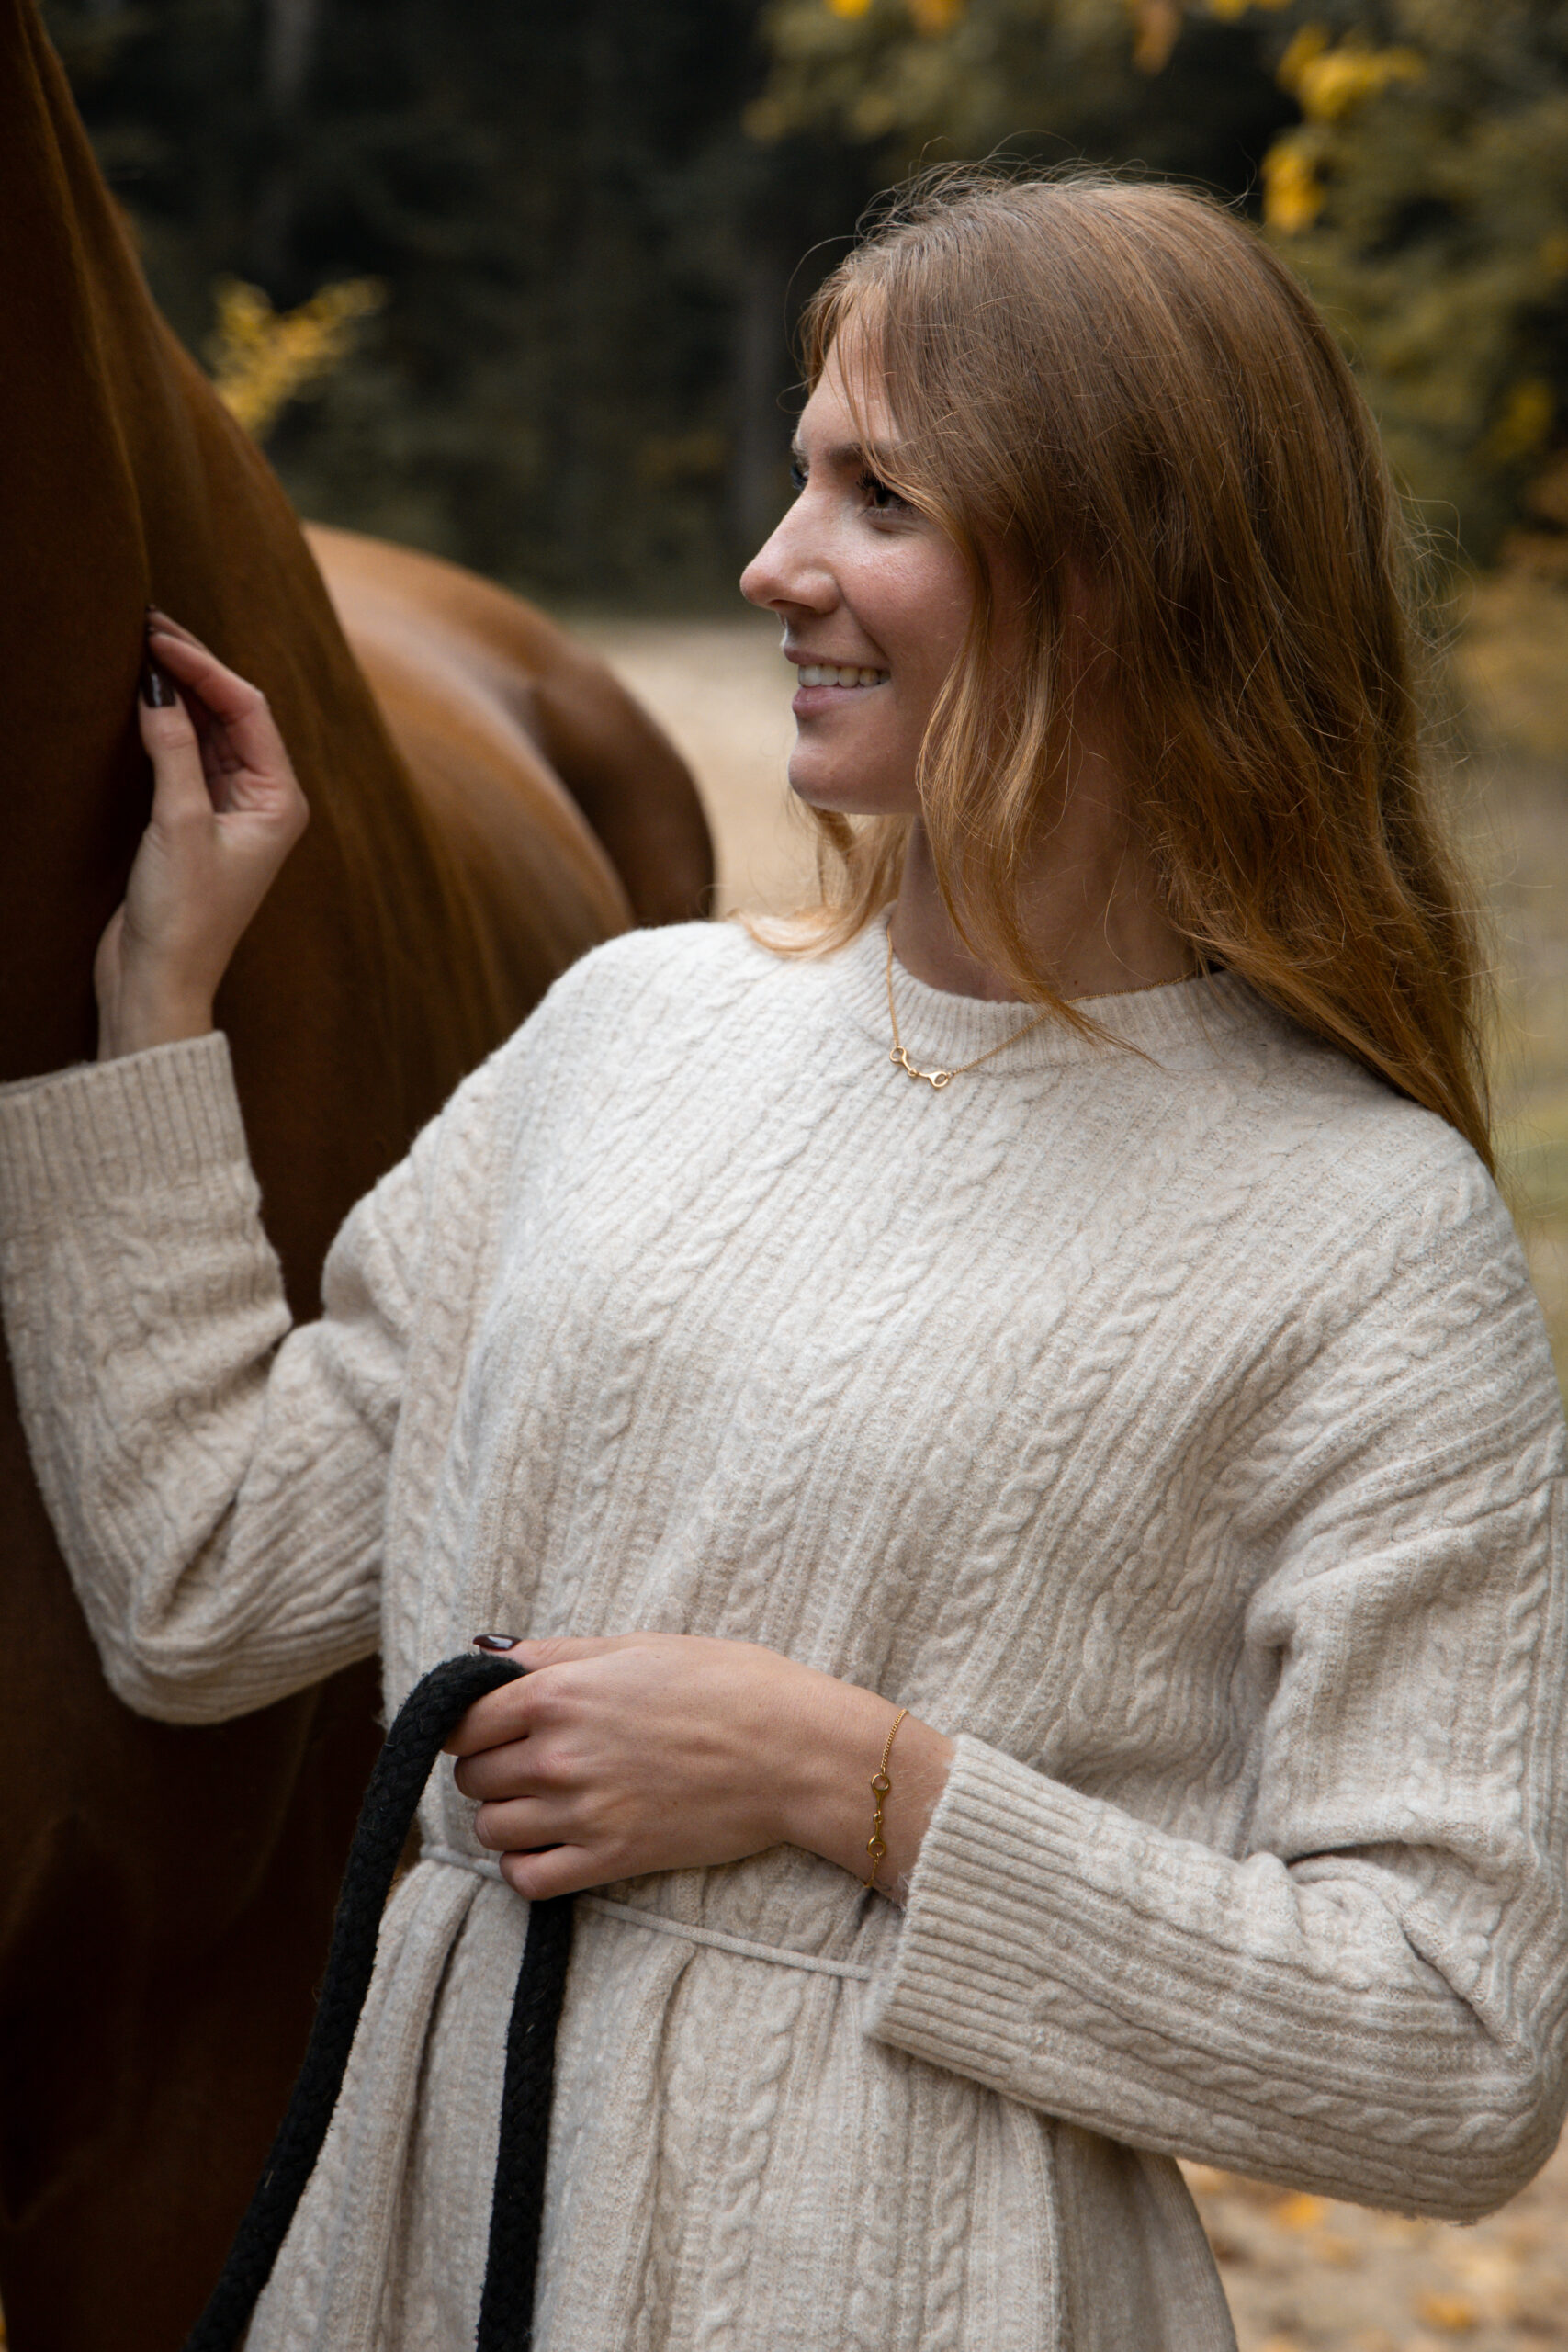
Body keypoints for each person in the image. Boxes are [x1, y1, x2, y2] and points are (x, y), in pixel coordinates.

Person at [2, 167, 1565, 2352]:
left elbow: (1454, 2048)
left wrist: (846, 1781)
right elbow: (197, 1585)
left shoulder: (1365, 1237)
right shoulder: (625, 1032)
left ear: (1122, 577)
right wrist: (151, 1016)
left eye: (876, 497)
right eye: (798, 472)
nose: (772, 561)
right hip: (420, 2261)